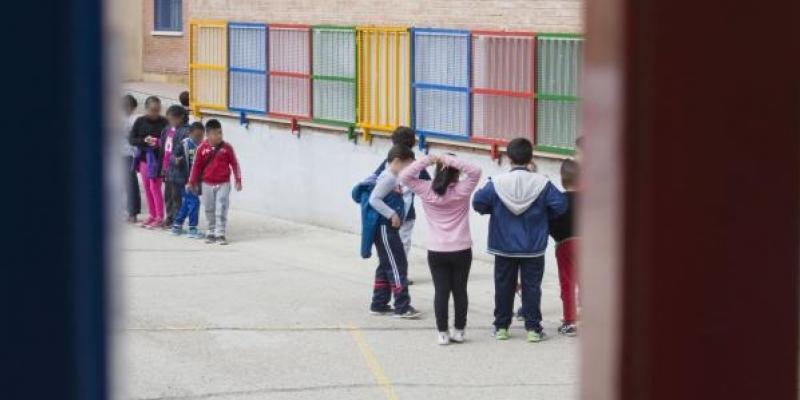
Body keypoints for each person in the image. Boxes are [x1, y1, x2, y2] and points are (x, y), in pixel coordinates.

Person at [472, 138, 567, 342]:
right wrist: (542, 214)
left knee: (503, 285)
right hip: (533, 246)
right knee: (532, 287)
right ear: (530, 157)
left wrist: (494, 210)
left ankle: (501, 327)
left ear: (508, 158)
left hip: (503, 244)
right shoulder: (542, 183)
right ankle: (533, 329)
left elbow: (478, 202)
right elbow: (560, 205)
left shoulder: (497, 182)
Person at [399, 153, 481, 345]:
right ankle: (459, 331)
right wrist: (449, 159)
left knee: (441, 291)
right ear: (457, 171)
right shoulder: (463, 189)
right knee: (460, 290)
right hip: (461, 249)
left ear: (437, 169)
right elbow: (476, 171)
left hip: (436, 250)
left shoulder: (426, 189)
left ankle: (442, 333)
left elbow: (404, 176)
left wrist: (430, 159)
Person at [368, 127, 431, 285]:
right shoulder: (417, 166)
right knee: (403, 244)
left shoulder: (389, 162)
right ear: (413, 142)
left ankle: (389, 274)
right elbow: (429, 185)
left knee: (388, 246)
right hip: (406, 213)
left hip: (387, 213)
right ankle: (398, 274)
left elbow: (372, 180)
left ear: (393, 142)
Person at [367, 145, 422, 319]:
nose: (409, 170)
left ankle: (379, 304)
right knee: (398, 265)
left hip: (387, 229)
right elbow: (374, 199)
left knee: (386, 265)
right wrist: (391, 214)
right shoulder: (389, 178)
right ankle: (402, 306)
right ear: (397, 161)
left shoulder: (392, 177)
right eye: (408, 166)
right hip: (385, 229)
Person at [187, 119, 242, 245]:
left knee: (221, 207)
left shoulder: (227, 148)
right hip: (206, 184)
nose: (218, 136)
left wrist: (238, 180)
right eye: (215, 133)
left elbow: (235, 164)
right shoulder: (202, 148)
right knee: (209, 208)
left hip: (223, 183)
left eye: (220, 133)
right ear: (207, 134)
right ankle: (211, 231)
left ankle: (220, 233)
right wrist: (191, 182)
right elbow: (196, 166)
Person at [549, 159, 579, 336]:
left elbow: (552, 223)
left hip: (565, 244)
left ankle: (570, 321)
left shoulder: (558, 201)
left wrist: (557, 238)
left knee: (568, 283)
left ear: (561, 179)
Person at [129, 96, 168, 229]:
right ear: (146, 109)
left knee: (155, 188)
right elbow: (132, 139)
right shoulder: (140, 121)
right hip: (144, 159)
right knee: (147, 188)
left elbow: (169, 142)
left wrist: (158, 142)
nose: (155, 113)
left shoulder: (165, 122)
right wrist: (144, 140)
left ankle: (159, 216)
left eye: (157, 110)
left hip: (157, 160)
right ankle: (152, 215)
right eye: (152, 110)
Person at [171, 122, 205, 238]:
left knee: (187, 202)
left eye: (201, 136)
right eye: (196, 136)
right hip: (183, 179)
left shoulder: (202, 146)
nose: (199, 138)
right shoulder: (183, 144)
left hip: (194, 180)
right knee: (195, 202)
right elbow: (173, 156)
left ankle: (177, 225)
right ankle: (192, 228)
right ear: (190, 134)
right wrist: (176, 160)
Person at [160, 105, 190, 228]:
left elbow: (181, 150)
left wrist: (176, 158)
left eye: (173, 119)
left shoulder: (186, 131)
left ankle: (177, 220)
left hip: (179, 169)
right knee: (168, 195)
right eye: (169, 119)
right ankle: (169, 217)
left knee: (177, 196)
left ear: (181, 117)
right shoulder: (167, 129)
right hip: (168, 168)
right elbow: (164, 148)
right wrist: (163, 166)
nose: (171, 122)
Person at [122, 94, 141, 223]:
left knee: (131, 183)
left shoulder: (136, 120)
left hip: (130, 154)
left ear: (133, 107)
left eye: (128, 106)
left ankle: (133, 212)